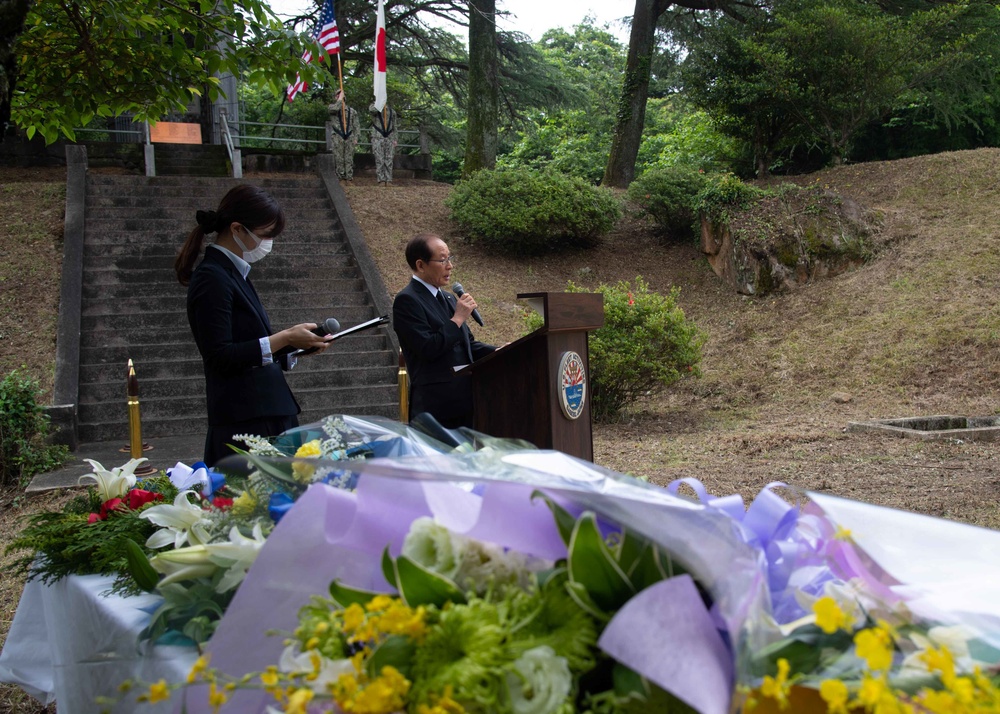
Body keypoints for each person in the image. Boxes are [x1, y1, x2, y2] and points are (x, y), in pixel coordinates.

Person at [174, 185, 332, 466]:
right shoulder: (213, 277)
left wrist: (295, 346)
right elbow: (220, 355)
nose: (268, 243)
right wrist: (284, 337)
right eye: (265, 235)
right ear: (237, 228)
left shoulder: (236, 273)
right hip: (245, 419)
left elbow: (251, 345)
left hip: (266, 410)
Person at [392, 234, 495, 429]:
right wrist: (457, 319)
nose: (450, 266)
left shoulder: (447, 298)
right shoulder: (407, 300)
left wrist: (499, 351)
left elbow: (467, 345)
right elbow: (428, 348)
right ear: (421, 265)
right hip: (435, 408)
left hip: (465, 402)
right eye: (442, 260)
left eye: (450, 258)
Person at [328, 89, 359, 180]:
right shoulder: (332, 107)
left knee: (348, 158)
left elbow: (356, 125)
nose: (339, 96)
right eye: (337, 95)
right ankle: (340, 176)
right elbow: (335, 108)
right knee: (338, 158)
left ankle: (349, 177)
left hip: (349, 136)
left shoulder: (352, 111)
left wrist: (356, 137)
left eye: (340, 94)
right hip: (337, 136)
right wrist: (339, 100)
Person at [368, 99, 397, 185]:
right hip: (378, 137)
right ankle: (381, 180)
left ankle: (388, 180)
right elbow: (372, 110)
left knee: (389, 159)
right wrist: (379, 103)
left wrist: (395, 139)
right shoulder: (374, 107)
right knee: (379, 159)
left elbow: (394, 126)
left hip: (389, 137)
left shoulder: (392, 112)